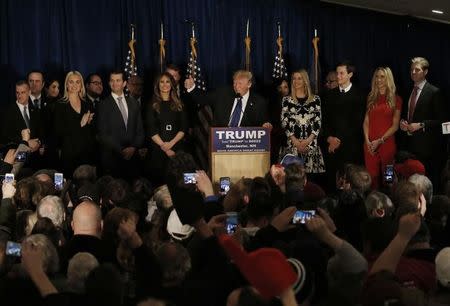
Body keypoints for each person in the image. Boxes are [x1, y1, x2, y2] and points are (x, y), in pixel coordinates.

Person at [399, 57, 446, 190]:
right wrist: (403, 123)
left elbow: (443, 122)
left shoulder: (434, 92)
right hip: (410, 146)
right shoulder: (408, 91)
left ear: (425, 72)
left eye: (417, 70)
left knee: (428, 185)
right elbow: (407, 115)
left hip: (428, 149)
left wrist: (421, 125)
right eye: (411, 70)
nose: (413, 72)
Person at [322, 61, 365, 191]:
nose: (338, 76)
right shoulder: (329, 95)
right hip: (332, 148)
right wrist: (329, 138)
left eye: (341, 73)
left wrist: (339, 140)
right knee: (332, 185)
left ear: (350, 74)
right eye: (337, 73)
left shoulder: (360, 95)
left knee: (350, 184)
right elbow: (324, 120)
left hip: (351, 148)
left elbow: (357, 123)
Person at [97, 70, 144, 179]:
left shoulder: (134, 103)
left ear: (124, 83)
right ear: (109, 83)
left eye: (118, 80)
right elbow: (103, 134)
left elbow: (140, 131)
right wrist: (122, 150)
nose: (114, 83)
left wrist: (133, 148)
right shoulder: (103, 105)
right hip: (113, 159)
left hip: (133, 160)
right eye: (112, 80)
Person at [184, 69, 271, 128]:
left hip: (246, 145)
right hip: (221, 143)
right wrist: (192, 88)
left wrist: (266, 125)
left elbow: (263, 122)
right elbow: (203, 99)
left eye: (240, 83)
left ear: (249, 84)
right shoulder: (222, 93)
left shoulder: (259, 102)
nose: (236, 86)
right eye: (234, 83)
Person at [280, 70, 325, 179]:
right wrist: (296, 142)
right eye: (294, 78)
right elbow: (284, 122)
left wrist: (307, 142)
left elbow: (317, 123)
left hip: (310, 147)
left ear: (305, 80)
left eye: (299, 78)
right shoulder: (286, 100)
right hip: (292, 147)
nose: (296, 81)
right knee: (292, 180)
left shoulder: (315, 99)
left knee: (311, 182)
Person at [145, 73, 188, 185]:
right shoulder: (152, 105)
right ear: (157, 85)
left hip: (177, 149)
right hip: (158, 150)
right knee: (159, 182)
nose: (165, 84)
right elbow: (151, 130)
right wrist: (165, 148)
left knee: (177, 182)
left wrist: (172, 144)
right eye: (162, 82)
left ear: (172, 84)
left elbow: (183, 128)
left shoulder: (179, 104)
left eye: (168, 81)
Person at [363, 67, 402, 189]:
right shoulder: (370, 97)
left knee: (389, 179)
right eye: (376, 76)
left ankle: (390, 204)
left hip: (387, 145)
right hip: (370, 146)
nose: (378, 80)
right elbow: (366, 122)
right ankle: (374, 205)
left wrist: (380, 141)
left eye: (382, 77)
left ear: (388, 79)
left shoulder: (396, 99)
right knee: (372, 180)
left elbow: (395, 126)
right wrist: (368, 141)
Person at [54, 71, 96, 176]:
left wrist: (90, 123)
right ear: (66, 84)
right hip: (69, 155)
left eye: (77, 82)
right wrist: (80, 124)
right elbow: (58, 131)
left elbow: (92, 132)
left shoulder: (87, 104)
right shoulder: (60, 105)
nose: (74, 85)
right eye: (71, 82)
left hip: (87, 154)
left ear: (81, 85)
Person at [0, 80, 42, 157]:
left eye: (23, 92)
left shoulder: (36, 111)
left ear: (29, 92)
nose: (19, 96)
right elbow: (5, 136)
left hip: (35, 157)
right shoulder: (7, 112)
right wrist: (26, 142)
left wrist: (38, 142)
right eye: (17, 93)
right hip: (16, 157)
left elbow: (40, 132)